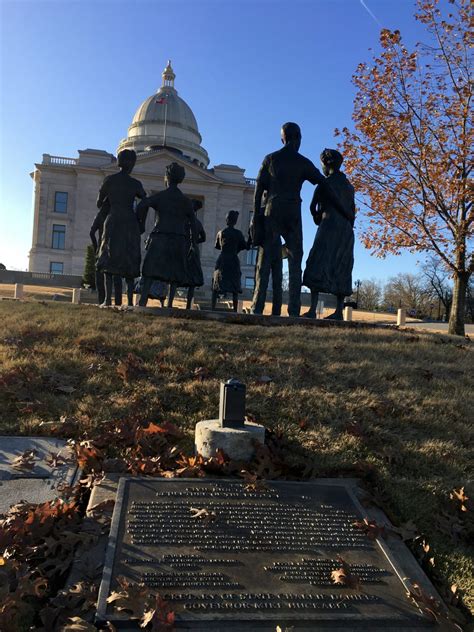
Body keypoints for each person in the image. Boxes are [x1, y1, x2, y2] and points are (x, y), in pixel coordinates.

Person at [251, 122, 329, 317]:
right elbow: (323, 182)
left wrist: (256, 218)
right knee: (295, 261)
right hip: (293, 210)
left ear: (282, 139)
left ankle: (257, 308)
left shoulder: (270, 159)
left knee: (265, 259)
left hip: (272, 209)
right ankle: (293, 310)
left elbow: (258, 191)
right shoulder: (303, 162)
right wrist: (316, 206)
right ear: (299, 138)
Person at [302, 149, 355, 320]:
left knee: (318, 262)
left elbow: (312, 206)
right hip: (345, 230)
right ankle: (339, 311)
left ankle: (312, 310)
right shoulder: (349, 187)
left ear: (326, 163)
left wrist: (317, 216)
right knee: (341, 265)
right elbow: (352, 210)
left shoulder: (325, 183)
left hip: (329, 227)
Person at [137, 162, 197, 308]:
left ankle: (142, 302)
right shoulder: (186, 201)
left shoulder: (161, 196)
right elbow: (194, 224)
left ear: (166, 178)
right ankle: (169, 304)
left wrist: (141, 225)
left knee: (150, 271)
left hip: (160, 237)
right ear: (180, 179)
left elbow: (142, 205)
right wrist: (193, 244)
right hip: (178, 239)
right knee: (174, 275)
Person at [96, 149, 146, 307]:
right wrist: (141, 222)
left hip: (114, 219)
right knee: (129, 258)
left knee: (109, 258)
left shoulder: (109, 180)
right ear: (130, 163)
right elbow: (145, 202)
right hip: (130, 222)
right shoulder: (135, 184)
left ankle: (107, 300)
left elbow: (99, 202)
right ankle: (130, 301)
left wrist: (111, 202)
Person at [249, 191, 283, 315]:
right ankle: (276, 311)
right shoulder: (280, 214)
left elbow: (252, 230)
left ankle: (257, 309)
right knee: (277, 281)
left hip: (266, 247)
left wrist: (254, 241)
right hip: (277, 247)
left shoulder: (260, 212)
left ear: (264, 198)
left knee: (262, 279)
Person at [170, 198, 206, 310]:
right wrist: (195, 242)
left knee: (176, 277)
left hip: (183, 248)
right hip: (193, 250)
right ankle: (188, 306)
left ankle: (170, 303)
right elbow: (203, 238)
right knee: (192, 280)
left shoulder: (183, 221)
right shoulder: (198, 223)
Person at [212, 210, 250, 312]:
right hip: (233, 260)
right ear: (235, 221)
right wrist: (250, 237)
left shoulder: (220, 232)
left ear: (226, 220)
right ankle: (234, 311)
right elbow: (246, 246)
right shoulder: (238, 234)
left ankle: (212, 308)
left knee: (217, 285)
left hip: (222, 260)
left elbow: (217, 246)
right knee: (234, 288)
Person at [90, 200, 124, 306]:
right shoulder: (117, 217)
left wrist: (96, 247)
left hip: (102, 249)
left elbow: (91, 233)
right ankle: (118, 303)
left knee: (101, 278)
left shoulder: (100, 216)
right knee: (117, 278)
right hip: (116, 250)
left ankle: (103, 301)